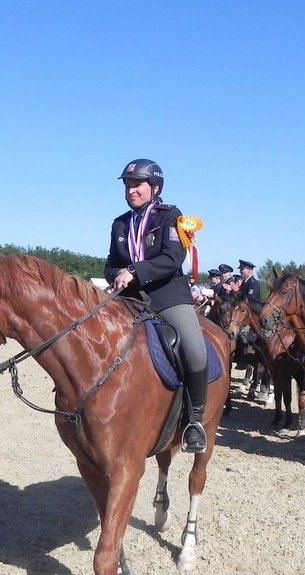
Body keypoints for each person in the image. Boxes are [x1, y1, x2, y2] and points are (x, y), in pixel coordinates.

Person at [104, 158, 209, 454]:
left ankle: (194, 422)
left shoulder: (169, 216)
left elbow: (172, 259)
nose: (132, 190)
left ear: (155, 187)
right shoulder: (120, 223)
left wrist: (135, 270)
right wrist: (118, 275)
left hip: (167, 296)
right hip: (129, 299)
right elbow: (110, 265)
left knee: (194, 348)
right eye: (128, 185)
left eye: (137, 185)